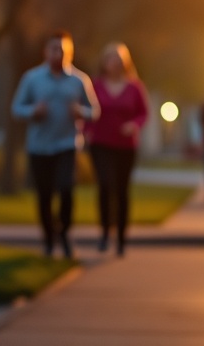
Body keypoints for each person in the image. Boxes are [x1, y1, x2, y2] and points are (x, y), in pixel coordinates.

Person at [12, 30, 99, 259]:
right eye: (53, 49)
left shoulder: (80, 80)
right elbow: (16, 109)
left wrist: (80, 112)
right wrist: (34, 111)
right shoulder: (32, 79)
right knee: (44, 196)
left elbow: (95, 111)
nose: (58, 53)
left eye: (62, 49)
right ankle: (49, 240)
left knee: (66, 189)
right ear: (45, 51)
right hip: (39, 146)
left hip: (66, 144)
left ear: (69, 52)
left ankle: (65, 232)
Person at [84, 43, 148, 257]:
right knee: (105, 185)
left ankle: (121, 238)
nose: (114, 64)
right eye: (110, 59)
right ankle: (104, 232)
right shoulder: (95, 85)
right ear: (104, 62)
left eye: (118, 60)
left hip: (126, 146)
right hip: (100, 144)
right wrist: (87, 130)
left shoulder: (134, 87)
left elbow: (143, 113)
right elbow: (87, 110)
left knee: (122, 191)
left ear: (125, 63)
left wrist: (134, 125)